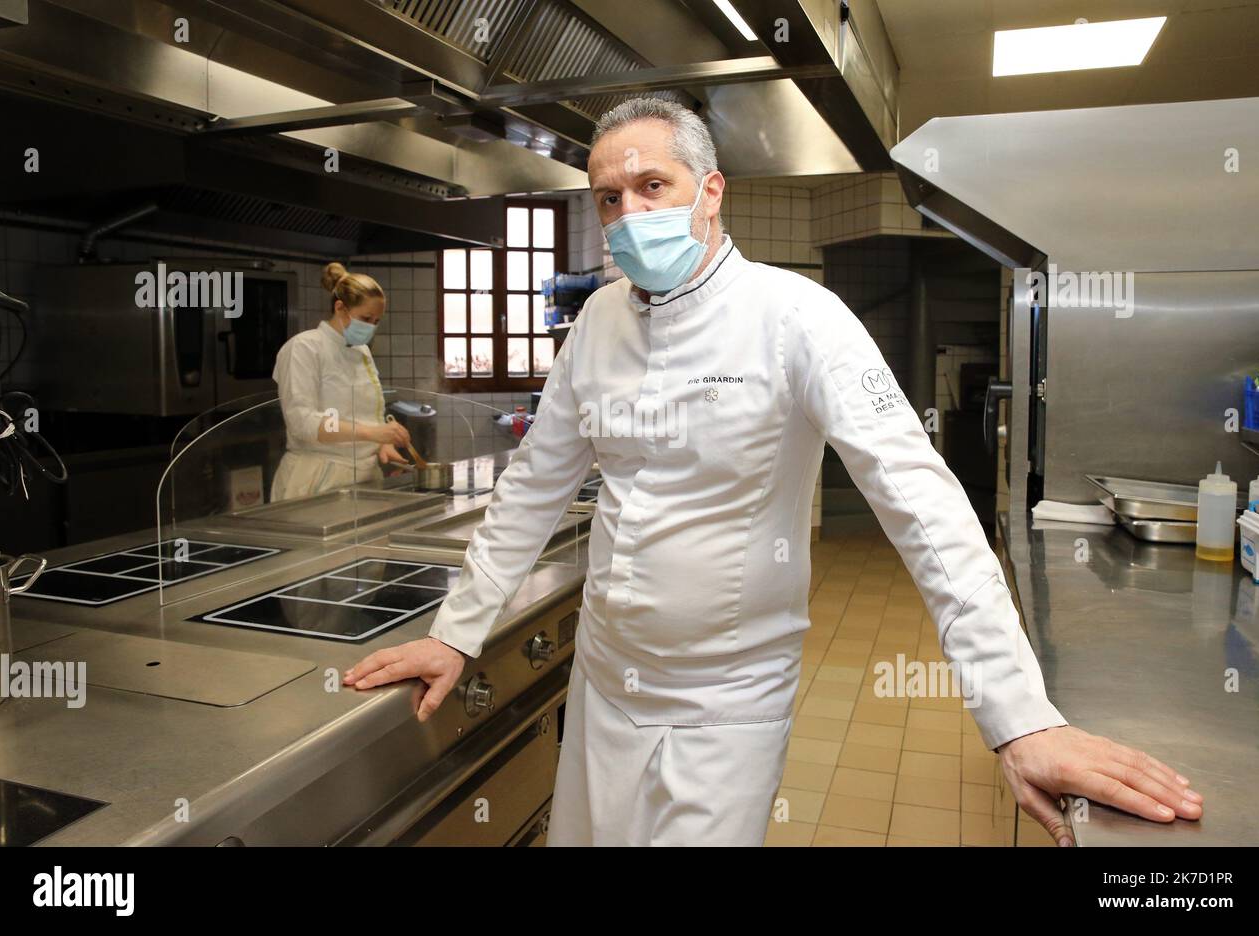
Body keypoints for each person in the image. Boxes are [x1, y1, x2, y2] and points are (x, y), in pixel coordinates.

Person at [345, 99, 1204, 846]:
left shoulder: (799, 319)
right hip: (607, 681)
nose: (628, 213)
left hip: (730, 696)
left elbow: (924, 507)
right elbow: (532, 489)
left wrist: (1019, 717)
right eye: (610, 198)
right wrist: (456, 629)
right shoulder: (597, 325)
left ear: (710, 192)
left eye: (653, 187)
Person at [270, 262, 412, 501]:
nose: (370, 327)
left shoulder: (360, 351)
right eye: (365, 318)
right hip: (317, 476)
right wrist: (372, 433)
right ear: (340, 308)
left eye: (376, 321)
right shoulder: (304, 348)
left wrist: (382, 445)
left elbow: (363, 412)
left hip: (365, 475)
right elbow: (302, 421)